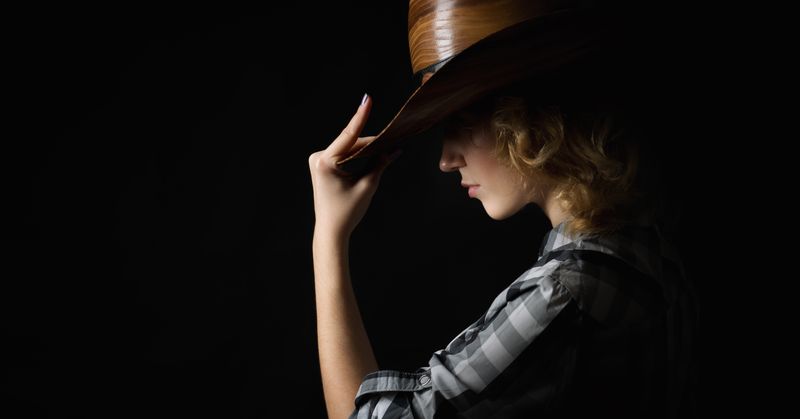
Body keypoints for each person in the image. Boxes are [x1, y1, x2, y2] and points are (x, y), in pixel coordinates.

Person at [308, 1, 698, 418]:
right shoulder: (649, 248)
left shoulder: (564, 292)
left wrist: (328, 238)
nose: (446, 159)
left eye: (464, 121)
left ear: (531, 114)